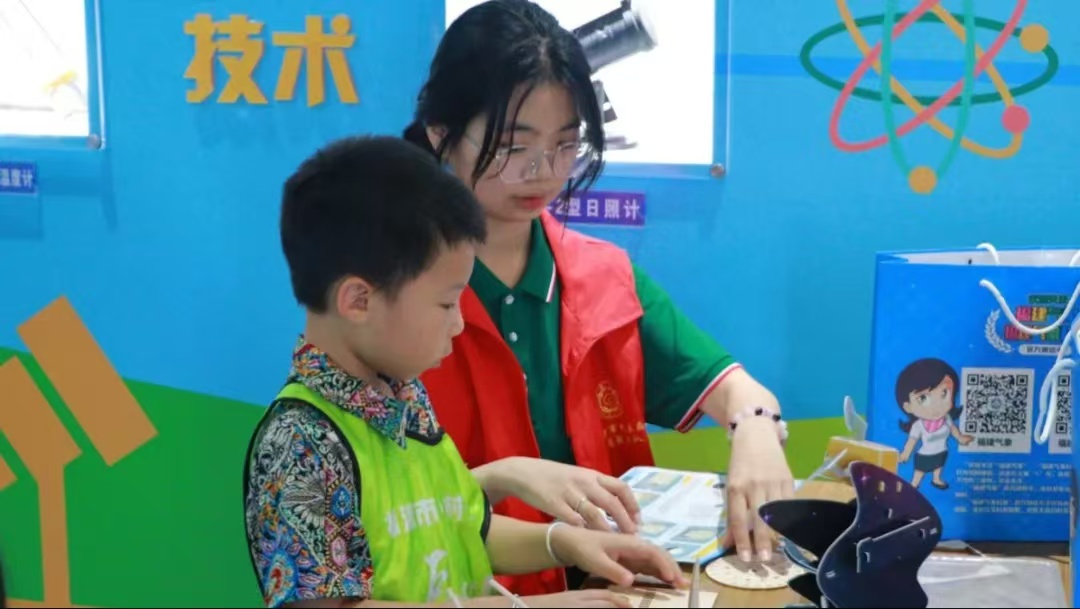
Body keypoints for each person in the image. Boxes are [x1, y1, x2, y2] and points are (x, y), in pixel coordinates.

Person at [403, 0, 795, 595]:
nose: (543, 172)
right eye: (512, 146)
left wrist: (757, 429)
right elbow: (379, 512)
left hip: (619, 589)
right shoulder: (397, 295)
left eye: (566, 144)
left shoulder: (604, 277)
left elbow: (733, 388)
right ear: (441, 134)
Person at [243, 135, 686, 608]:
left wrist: (566, 543)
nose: (458, 325)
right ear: (359, 300)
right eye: (446, 303)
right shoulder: (300, 442)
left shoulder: (405, 398)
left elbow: (462, 526)